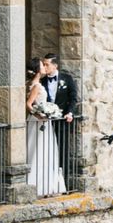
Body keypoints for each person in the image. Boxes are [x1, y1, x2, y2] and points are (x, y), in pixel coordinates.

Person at [26, 57, 66, 196]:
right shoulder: (37, 86)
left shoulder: (34, 83)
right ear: (38, 70)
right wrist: (39, 115)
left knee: (42, 150)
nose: (44, 66)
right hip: (39, 121)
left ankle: (44, 184)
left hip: (41, 121)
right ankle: (38, 185)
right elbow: (29, 104)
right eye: (42, 65)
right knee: (39, 150)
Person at [41, 53, 78, 190]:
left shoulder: (66, 79)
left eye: (47, 64)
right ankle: (47, 181)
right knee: (47, 150)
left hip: (62, 121)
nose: (45, 67)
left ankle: (64, 183)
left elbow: (73, 97)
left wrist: (70, 112)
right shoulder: (41, 81)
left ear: (55, 66)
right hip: (45, 122)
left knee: (62, 150)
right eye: (43, 64)